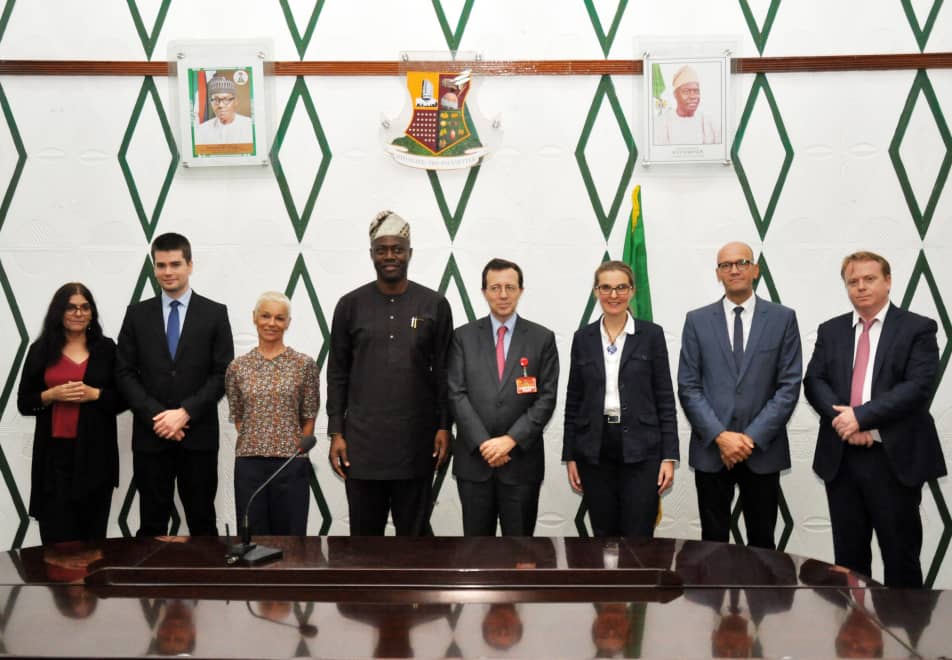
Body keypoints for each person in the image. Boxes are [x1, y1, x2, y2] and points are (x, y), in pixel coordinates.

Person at [803, 251, 946, 588]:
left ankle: (905, 636)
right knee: (849, 562)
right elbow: (814, 381)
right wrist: (844, 422)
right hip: (842, 460)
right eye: (853, 281)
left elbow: (917, 387)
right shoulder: (831, 330)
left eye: (869, 279)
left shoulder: (918, 328)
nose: (861, 287)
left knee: (901, 557)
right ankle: (855, 637)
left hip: (893, 459)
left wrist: (862, 419)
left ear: (888, 281)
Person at [326, 210, 453, 536]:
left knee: (415, 540)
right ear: (371, 254)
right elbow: (337, 372)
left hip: (417, 442)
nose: (390, 256)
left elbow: (444, 372)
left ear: (409, 252)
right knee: (364, 541)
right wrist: (337, 433)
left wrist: (444, 426)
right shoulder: (350, 305)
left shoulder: (434, 304)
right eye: (382, 249)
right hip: (363, 446)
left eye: (397, 249)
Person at [677, 241, 801, 550]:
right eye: (726, 265)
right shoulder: (697, 320)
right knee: (712, 545)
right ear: (717, 274)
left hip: (762, 450)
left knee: (762, 543)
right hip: (712, 451)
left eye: (742, 262)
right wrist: (721, 436)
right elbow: (688, 386)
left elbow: (789, 385)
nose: (734, 269)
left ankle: (761, 600)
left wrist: (750, 438)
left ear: (755, 270)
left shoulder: (782, 318)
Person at [116, 232, 234, 536]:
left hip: (198, 437)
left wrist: (184, 413)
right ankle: (151, 585)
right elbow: (124, 372)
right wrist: (159, 416)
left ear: (190, 265)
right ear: (153, 268)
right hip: (151, 436)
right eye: (161, 265)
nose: (168, 272)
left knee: (202, 522)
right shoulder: (136, 314)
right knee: (152, 524)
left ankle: (204, 585)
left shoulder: (215, 313)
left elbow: (223, 373)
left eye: (175, 264)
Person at [562, 261, 678, 537]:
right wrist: (571, 456)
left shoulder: (652, 335)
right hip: (594, 450)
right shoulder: (583, 338)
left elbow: (664, 397)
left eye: (621, 288)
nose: (614, 295)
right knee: (604, 534)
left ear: (632, 291)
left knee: (638, 534)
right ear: (596, 292)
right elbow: (573, 400)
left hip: (642, 450)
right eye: (606, 288)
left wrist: (669, 457)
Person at [448, 258, 559, 536]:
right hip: (475, 463)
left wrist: (510, 441)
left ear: (521, 290)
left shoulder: (541, 338)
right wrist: (486, 444)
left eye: (510, 287)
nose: (503, 294)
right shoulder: (462, 337)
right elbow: (456, 393)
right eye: (495, 287)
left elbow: (546, 398)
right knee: (476, 551)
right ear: (484, 291)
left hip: (521, 464)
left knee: (521, 552)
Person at [17, 283, 125, 544]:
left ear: (92, 313)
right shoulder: (40, 350)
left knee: (92, 542)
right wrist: (50, 395)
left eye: (85, 307)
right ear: (58, 312)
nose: (78, 313)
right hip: (53, 460)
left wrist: (95, 394)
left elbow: (123, 399)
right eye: (71, 307)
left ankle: (90, 587)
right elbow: (24, 402)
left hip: (96, 457)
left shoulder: (107, 349)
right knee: (56, 543)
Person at [225, 291, 319, 535]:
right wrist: (261, 441)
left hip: (290, 463)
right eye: (265, 316)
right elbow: (239, 417)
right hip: (249, 464)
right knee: (252, 537)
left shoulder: (304, 364)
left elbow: (309, 415)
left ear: (288, 323)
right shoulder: (237, 367)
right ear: (254, 318)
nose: (271, 323)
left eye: (279, 318)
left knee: (291, 537)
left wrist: (294, 450)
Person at [653, 64, 721, 145]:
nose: (692, 96)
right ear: (675, 94)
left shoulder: (710, 123)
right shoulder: (661, 123)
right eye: (686, 91)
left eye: (696, 91)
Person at [194, 75, 253, 145]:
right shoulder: (202, 130)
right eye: (216, 100)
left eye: (226, 99)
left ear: (235, 101)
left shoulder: (250, 126)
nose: (220, 105)